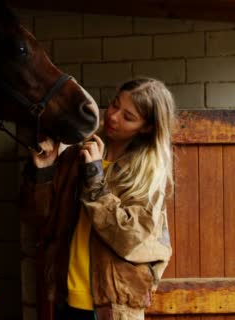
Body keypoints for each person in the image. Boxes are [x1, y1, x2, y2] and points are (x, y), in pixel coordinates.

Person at [20, 77, 175, 320]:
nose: (113, 116)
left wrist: (94, 178)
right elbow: (38, 218)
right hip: (64, 299)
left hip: (113, 309)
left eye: (128, 117)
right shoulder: (75, 156)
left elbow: (129, 238)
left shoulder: (147, 176)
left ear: (146, 127)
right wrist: (44, 170)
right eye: (114, 105)